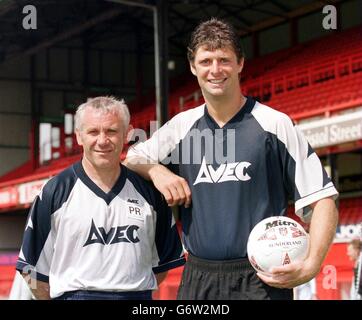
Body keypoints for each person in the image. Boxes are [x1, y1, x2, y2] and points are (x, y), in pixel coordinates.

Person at [124, 18, 339, 300]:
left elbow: (322, 199)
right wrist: (157, 171)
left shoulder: (274, 124)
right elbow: (131, 159)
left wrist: (312, 265)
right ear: (193, 67)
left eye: (224, 60)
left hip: (261, 279)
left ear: (240, 63)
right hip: (198, 278)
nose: (215, 70)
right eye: (206, 61)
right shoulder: (181, 126)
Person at [15, 96, 185, 300]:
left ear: (126, 134)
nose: (102, 140)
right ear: (79, 136)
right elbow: (29, 270)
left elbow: (163, 265)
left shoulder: (149, 193)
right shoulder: (54, 191)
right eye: (93, 131)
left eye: (111, 131)